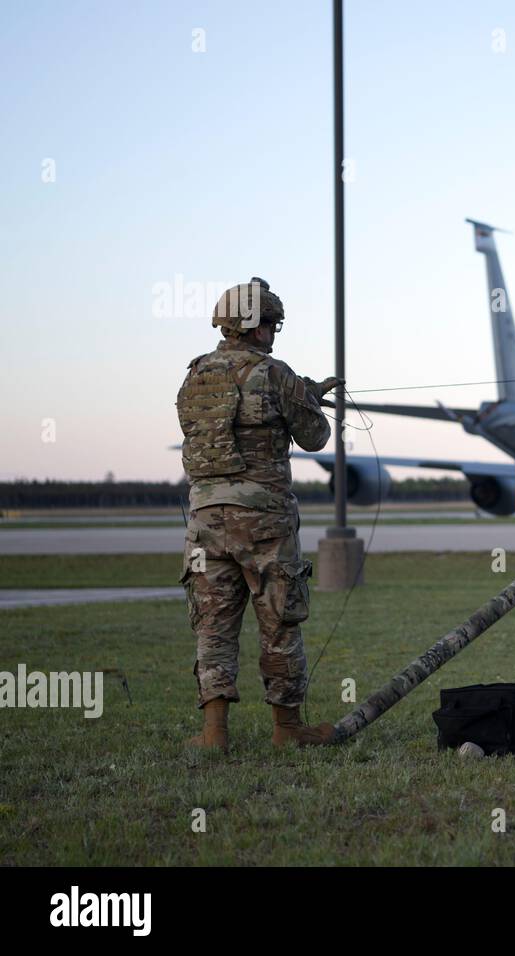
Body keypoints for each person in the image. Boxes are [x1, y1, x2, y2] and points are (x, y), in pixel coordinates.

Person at [176, 278, 342, 751]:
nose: (274, 332)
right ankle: (287, 731)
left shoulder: (195, 375)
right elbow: (314, 438)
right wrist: (307, 399)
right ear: (251, 325)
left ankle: (214, 734)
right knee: (280, 620)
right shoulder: (274, 373)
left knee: (212, 624)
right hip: (263, 521)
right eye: (270, 323)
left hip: (205, 522)